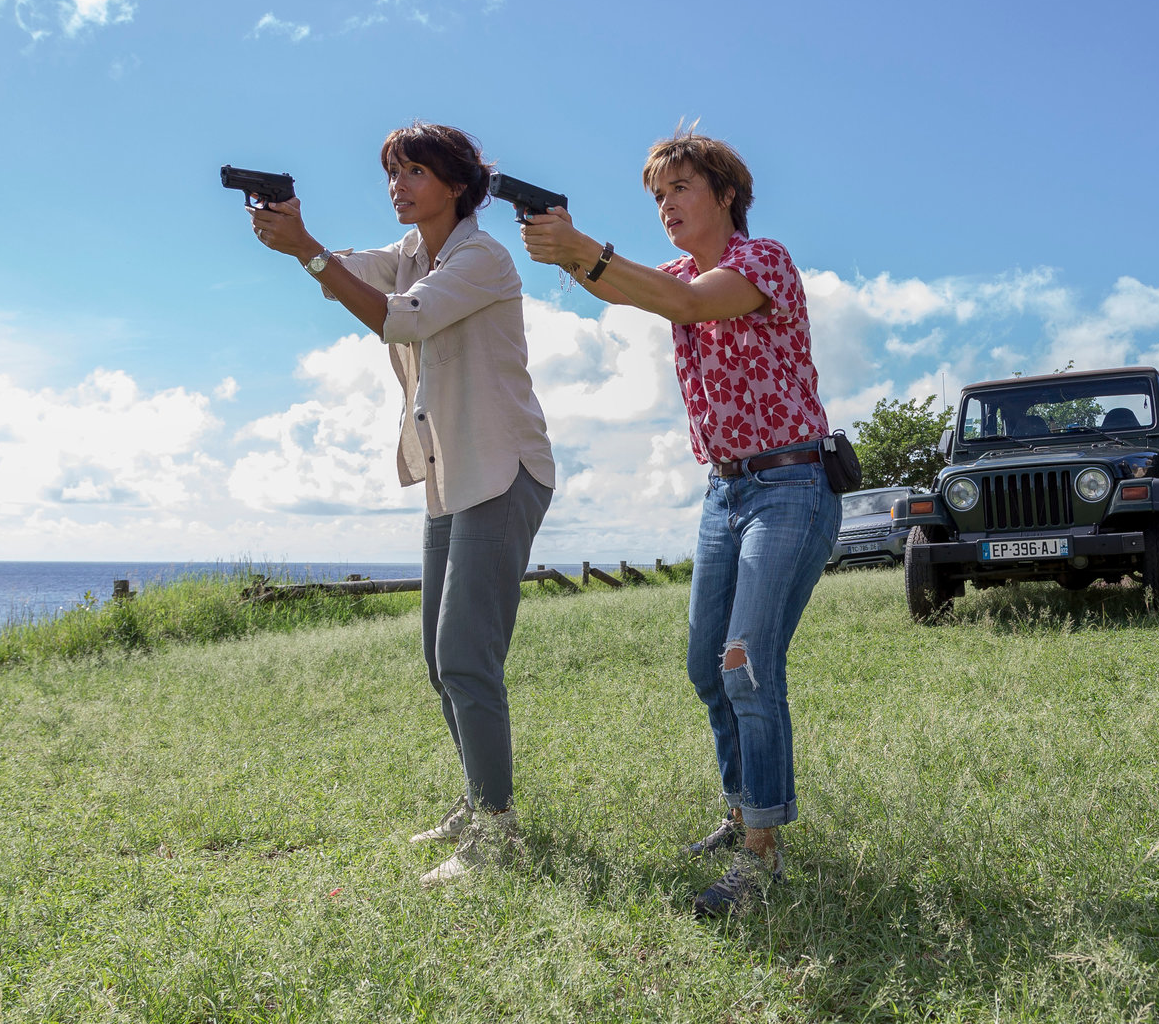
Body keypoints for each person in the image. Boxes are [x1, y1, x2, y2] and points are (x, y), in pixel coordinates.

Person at [518, 129, 839, 916]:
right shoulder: (671, 275)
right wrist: (560, 248)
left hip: (791, 482)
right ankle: (740, 810)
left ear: (725, 194)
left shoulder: (763, 260)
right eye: (657, 196)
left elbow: (689, 302)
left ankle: (763, 855)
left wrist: (581, 248)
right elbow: (629, 288)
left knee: (745, 662)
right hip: (723, 494)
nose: (665, 206)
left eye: (681, 189)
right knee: (707, 666)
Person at [246, 122, 556, 887]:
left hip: (502, 470)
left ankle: (497, 832)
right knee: (436, 661)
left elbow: (399, 316)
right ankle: (478, 798)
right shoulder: (416, 254)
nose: (398, 184)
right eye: (392, 172)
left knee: (466, 657)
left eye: (414, 171)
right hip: (451, 477)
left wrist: (308, 252)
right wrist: (300, 237)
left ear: (457, 183)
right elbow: (354, 267)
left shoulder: (481, 257)